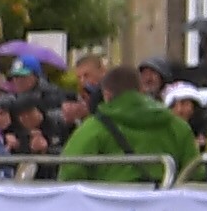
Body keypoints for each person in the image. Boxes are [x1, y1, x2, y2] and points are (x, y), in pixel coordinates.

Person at [48, 51, 197, 177]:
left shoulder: (93, 129)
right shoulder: (178, 126)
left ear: (106, 94)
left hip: (107, 207)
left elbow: (70, 172)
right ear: (141, 90)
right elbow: (196, 172)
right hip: (163, 209)